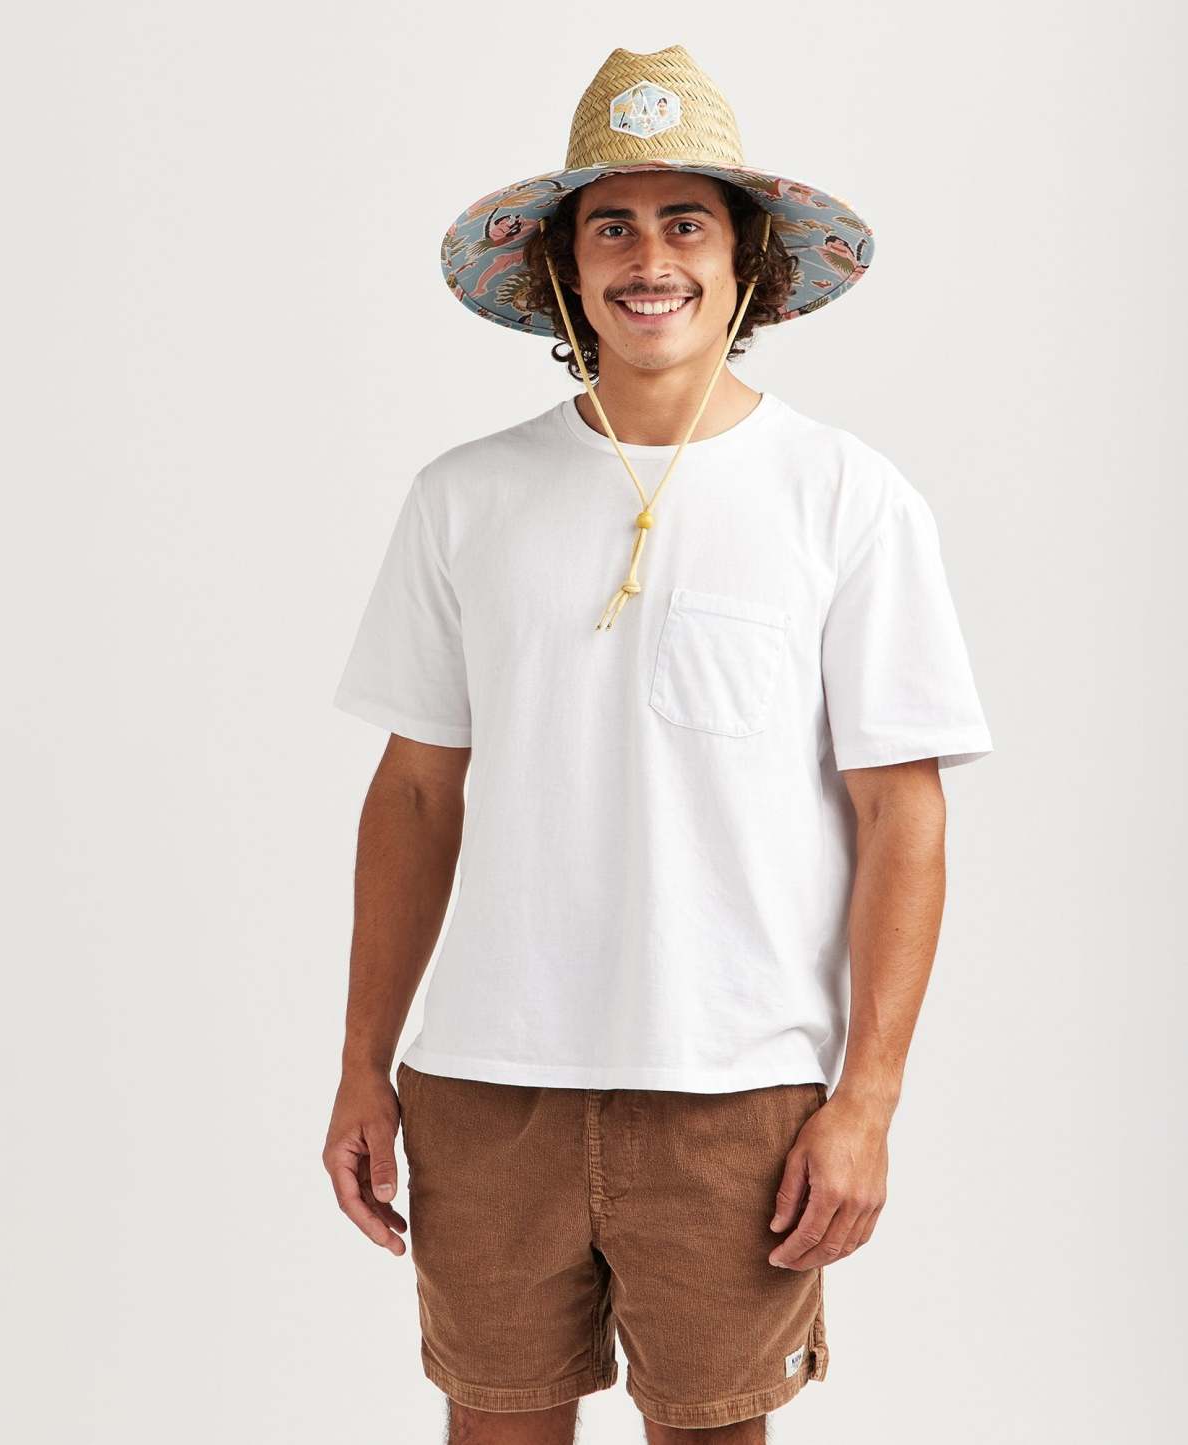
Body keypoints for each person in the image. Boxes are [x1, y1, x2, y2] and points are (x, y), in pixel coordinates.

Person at [322, 44, 993, 1445]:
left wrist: (866, 1100)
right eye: (611, 226)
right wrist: (360, 1061)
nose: (649, 258)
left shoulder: (844, 497)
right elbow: (416, 793)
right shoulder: (465, 496)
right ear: (564, 268)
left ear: (744, 260)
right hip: (487, 1079)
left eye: (685, 222)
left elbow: (903, 814)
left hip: (734, 1088)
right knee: (494, 1424)